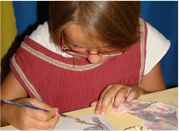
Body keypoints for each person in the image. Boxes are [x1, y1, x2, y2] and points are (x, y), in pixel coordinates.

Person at [0, 0, 170, 130]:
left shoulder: (140, 38)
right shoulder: (39, 53)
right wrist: (9, 113)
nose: (93, 59)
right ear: (59, 28)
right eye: (78, 46)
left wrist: (138, 93)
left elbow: (163, 106)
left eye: (107, 48)